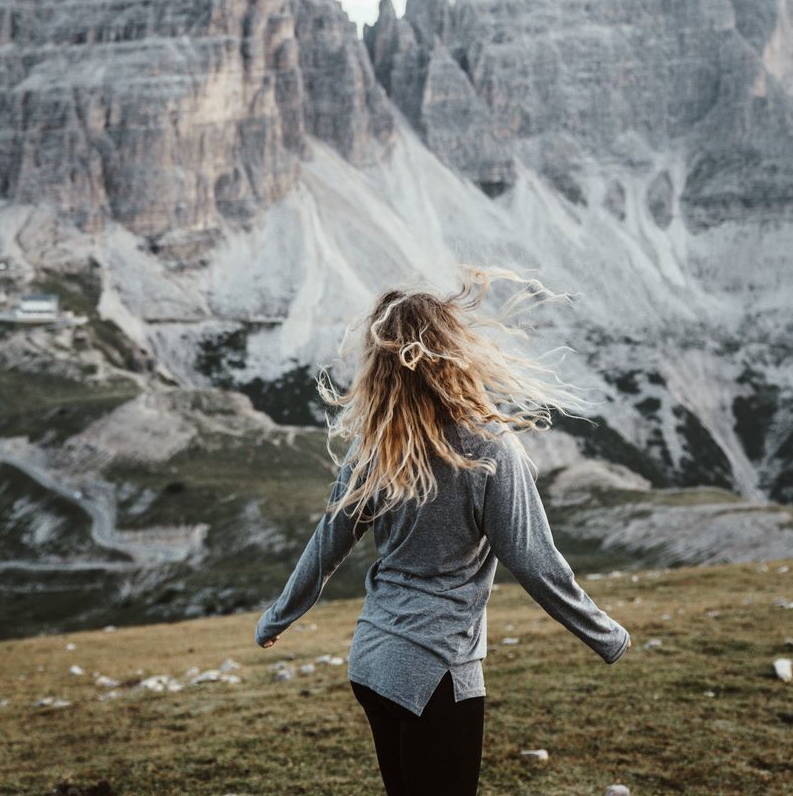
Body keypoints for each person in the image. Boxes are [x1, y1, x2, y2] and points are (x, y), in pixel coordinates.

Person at [254, 264, 632, 796]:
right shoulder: (489, 448)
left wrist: (278, 617)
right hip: (436, 668)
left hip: (372, 660)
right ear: (455, 351)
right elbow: (534, 560)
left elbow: (326, 547)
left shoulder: (375, 450)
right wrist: (606, 634)